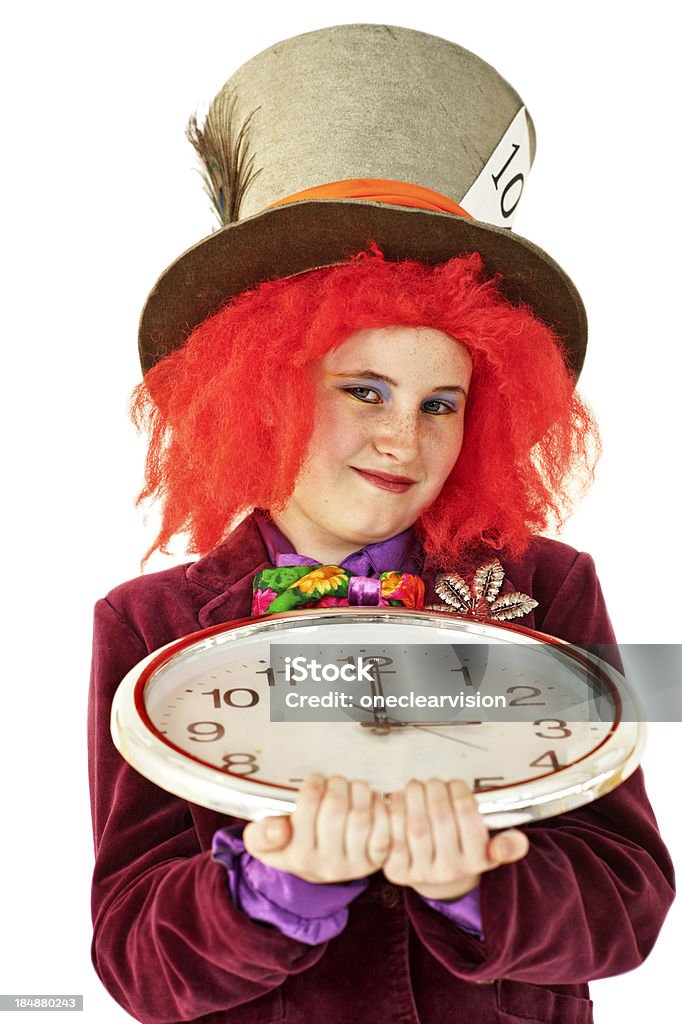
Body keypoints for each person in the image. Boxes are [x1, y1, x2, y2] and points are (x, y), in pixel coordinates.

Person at [88, 25, 674, 1024]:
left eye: (440, 403)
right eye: (363, 388)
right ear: (262, 392)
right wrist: (270, 891)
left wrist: (481, 887)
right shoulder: (149, 625)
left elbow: (628, 900)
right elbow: (137, 960)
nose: (402, 435)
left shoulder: (548, 588)